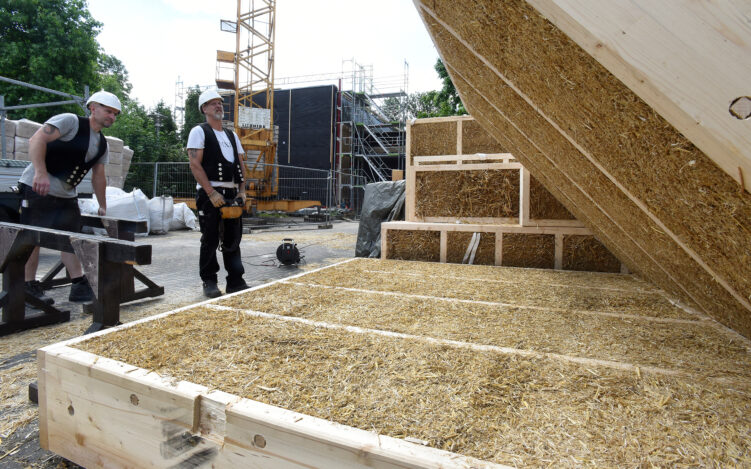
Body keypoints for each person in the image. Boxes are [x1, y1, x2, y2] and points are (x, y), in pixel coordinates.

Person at [19, 90, 120, 304]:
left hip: (66, 195)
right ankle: (27, 286)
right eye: (108, 111)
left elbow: (99, 176)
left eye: (115, 114)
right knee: (32, 237)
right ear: (93, 108)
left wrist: (102, 205)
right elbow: (36, 139)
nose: (112, 116)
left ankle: (78, 285)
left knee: (72, 238)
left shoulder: (102, 144)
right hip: (37, 187)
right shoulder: (70, 122)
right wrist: (40, 172)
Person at [187, 89, 250, 298]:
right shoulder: (199, 131)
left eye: (220, 102)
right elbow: (195, 164)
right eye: (213, 103)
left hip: (231, 193)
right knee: (210, 239)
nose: (218, 105)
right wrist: (210, 192)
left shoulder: (232, 135)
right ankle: (209, 281)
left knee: (233, 240)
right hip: (210, 194)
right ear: (204, 108)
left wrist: (242, 190)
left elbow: (240, 164)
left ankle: (235, 280)